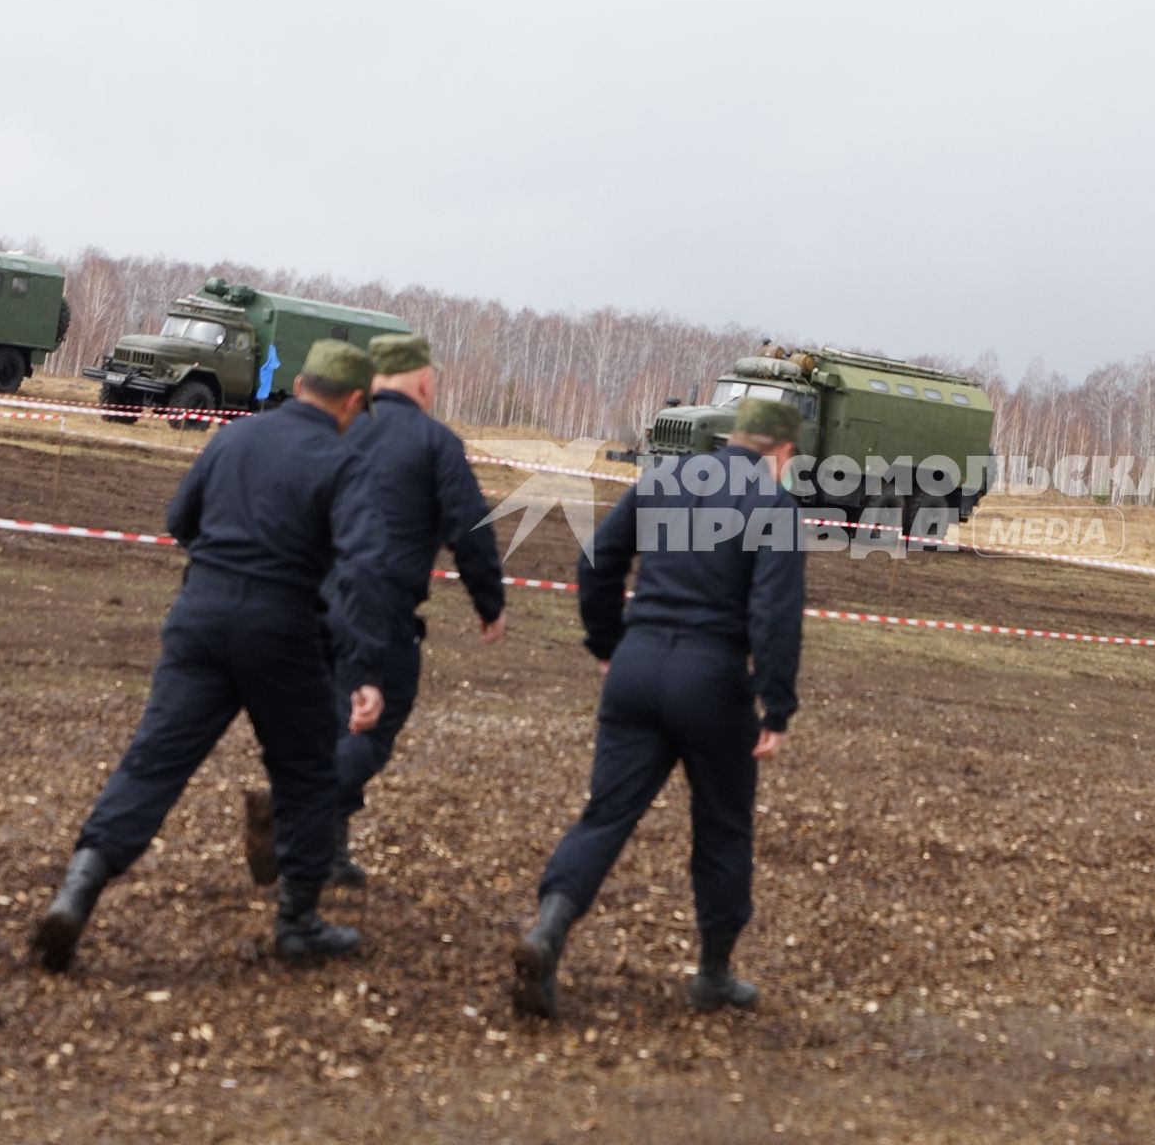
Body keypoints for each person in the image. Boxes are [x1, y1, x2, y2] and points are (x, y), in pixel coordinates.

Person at [32, 340, 390, 972]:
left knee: (153, 762)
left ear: (301, 382)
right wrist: (362, 668)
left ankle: (77, 892)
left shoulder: (232, 437)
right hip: (281, 629)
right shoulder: (344, 462)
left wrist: (224, 562)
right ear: (355, 401)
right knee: (306, 772)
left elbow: (179, 519)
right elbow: (361, 573)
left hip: (198, 617)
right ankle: (298, 923)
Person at [511, 396, 807, 1021]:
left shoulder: (664, 479)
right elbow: (774, 615)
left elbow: (594, 561)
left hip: (638, 668)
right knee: (724, 828)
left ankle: (549, 929)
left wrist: (608, 643)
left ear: (735, 437)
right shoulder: (774, 505)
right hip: (713, 681)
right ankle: (714, 976)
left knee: (604, 816)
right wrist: (776, 707)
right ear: (781, 453)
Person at [243, 333, 506, 888]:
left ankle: (328, 851)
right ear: (426, 381)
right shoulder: (435, 443)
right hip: (382, 606)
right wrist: (490, 602)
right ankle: (293, 809)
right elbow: (470, 528)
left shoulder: (339, 425)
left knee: (336, 719)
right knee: (374, 727)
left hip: (310, 598)